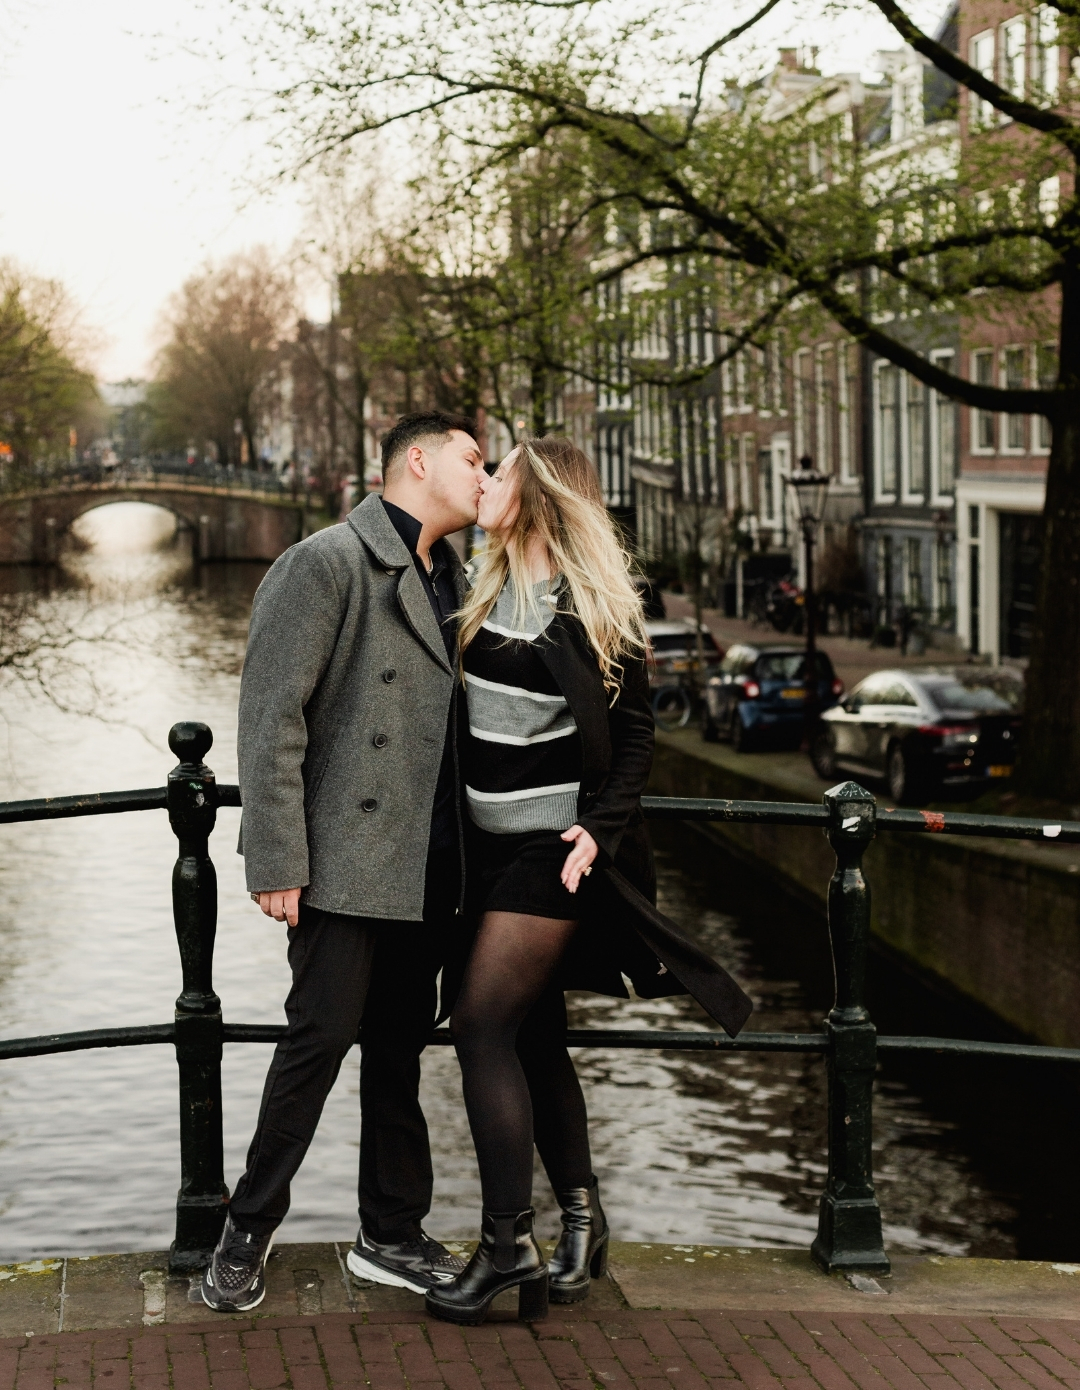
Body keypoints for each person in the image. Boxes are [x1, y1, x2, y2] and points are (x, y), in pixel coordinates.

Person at [425, 439, 753, 1327]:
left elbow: (637, 736)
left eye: (502, 475)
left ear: (541, 496)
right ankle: (582, 1218)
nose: (486, 484)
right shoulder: (474, 584)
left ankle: (504, 1248)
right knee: (532, 1040)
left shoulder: (597, 605)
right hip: (482, 851)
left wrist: (596, 838)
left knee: (480, 1023)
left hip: (550, 854)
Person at [201, 410, 488, 1313]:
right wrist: (276, 857)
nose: (484, 476)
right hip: (345, 862)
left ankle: (390, 1233)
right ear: (417, 461)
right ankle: (244, 1232)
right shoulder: (324, 562)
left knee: (400, 1052)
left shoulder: (455, 576)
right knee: (318, 1042)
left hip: (431, 863)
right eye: (471, 459)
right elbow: (270, 719)